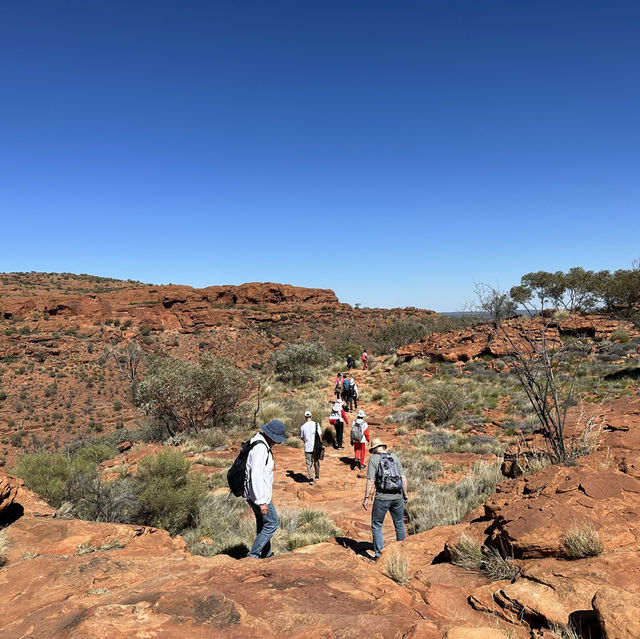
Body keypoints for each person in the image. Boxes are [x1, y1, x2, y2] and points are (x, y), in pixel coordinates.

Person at [244, 419, 287, 559]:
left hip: (253, 493)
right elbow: (255, 474)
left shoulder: (258, 440)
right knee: (272, 523)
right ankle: (253, 555)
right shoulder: (261, 448)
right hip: (258, 495)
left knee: (263, 524)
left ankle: (266, 555)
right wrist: (262, 501)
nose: (278, 442)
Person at [362, 438, 408, 561]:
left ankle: (379, 555)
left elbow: (370, 480)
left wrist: (366, 497)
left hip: (382, 498)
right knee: (399, 524)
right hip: (397, 496)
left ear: (374, 449)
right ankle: (402, 552)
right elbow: (403, 478)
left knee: (377, 525)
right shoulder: (395, 457)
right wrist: (405, 494)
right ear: (382, 446)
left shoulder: (373, 459)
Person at [300, 410, 322, 485]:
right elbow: (320, 435)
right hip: (316, 446)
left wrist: (306, 442)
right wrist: (320, 444)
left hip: (308, 447)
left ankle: (311, 478)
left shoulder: (302, 427)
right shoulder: (316, 424)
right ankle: (317, 476)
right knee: (316, 461)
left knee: (309, 463)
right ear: (311, 416)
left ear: (305, 417)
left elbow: (302, 438)